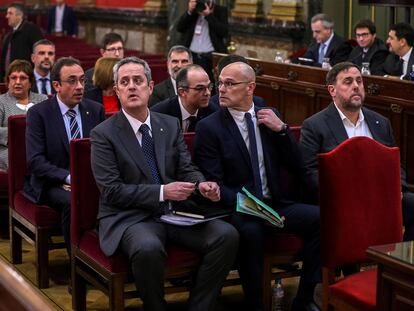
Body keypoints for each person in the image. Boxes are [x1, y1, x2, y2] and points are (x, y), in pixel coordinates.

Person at [90, 56, 239, 311]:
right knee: (148, 248)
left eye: (138, 81)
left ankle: (199, 306)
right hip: (131, 217)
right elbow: (112, 191)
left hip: (175, 213)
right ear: (116, 91)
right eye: (124, 82)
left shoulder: (168, 125)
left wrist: (202, 184)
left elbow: (186, 168)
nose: (131, 87)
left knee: (227, 235)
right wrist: (162, 192)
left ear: (150, 86)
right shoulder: (103, 134)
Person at [194, 62, 321, 311]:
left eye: (230, 83)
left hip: (277, 202)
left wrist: (282, 131)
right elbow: (216, 184)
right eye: (220, 82)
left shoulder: (268, 115)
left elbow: (298, 165)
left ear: (250, 87)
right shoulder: (209, 127)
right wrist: (255, 208)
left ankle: (305, 299)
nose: (221, 89)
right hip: (239, 207)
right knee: (251, 232)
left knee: (321, 219)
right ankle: (256, 304)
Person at [299, 61, 414, 241]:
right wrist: (342, 193)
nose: (356, 86)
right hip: (343, 198)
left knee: (412, 204)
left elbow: (395, 162)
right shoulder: (315, 125)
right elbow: (309, 172)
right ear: (332, 90)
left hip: (380, 195)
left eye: (359, 81)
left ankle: (398, 264)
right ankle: (350, 264)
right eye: (348, 82)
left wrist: (397, 188)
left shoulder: (380, 122)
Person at [24, 57, 105, 253]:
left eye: (82, 80)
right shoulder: (39, 113)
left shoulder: (95, 110)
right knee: (73, 201)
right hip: (51, 182)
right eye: (72, 81)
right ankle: (76, 263)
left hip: (91, 180)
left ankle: (103, 255)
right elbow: (35, 161)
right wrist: (68, 177)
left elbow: (103, 152)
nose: (79, 86)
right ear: (56, 85)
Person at [0, 60, 47, 170]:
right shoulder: (1, 101)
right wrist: (21, 133)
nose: (17, 82)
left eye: (23, 78)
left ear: (30, 82)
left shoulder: (42, 99)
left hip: (39, 149)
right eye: (13, 78)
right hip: (9, 151)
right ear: (8, 81)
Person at [151, 64, 217, 131]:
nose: (207, 93)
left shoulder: (213, 113)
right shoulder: (160, 115)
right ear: (182, 92)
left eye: (209, 87)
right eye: (200, 88)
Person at [176, 0, 228, 83]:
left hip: (209, 57)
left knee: (208, 82)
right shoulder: (194, 11)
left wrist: (209, 16)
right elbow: (179, 27)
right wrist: (189, 12)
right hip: (192, 56)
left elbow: (224, 32)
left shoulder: (220, 10)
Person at [0, 3, 43, 80]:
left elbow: (40, 54)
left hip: (25, 79)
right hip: (9, 79)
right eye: (7, 13)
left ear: (19, 15)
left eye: (10, 13)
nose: (7, 16)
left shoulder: (31, 30)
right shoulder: (9, 35)